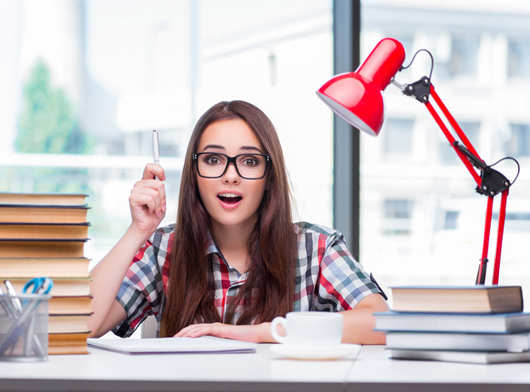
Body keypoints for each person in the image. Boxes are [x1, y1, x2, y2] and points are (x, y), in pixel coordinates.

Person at [88, 100, 389, 344]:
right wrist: (137, 231)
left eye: (249, 161)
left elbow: (381, 323)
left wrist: (264, 333)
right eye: (214, 160)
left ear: (270, 177)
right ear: (194, 174)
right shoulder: (164, 248)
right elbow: (82, 325)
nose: (230, 175)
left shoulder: (316, 249)